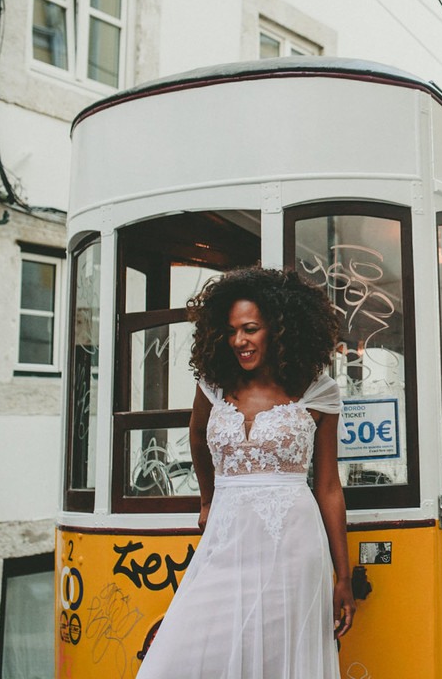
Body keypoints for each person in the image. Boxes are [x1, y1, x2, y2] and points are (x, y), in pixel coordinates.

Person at [138, 267, 352, 679]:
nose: (239, 340)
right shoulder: (214, 385)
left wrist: (342, 577)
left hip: (293, 546)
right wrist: (206, 500)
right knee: (177, 659)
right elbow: (197, 436)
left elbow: (328, 487)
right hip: (226, 538)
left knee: (276, 659)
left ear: (279, 330)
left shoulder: (317, 390)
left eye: (250, 329)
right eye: (232, 330)